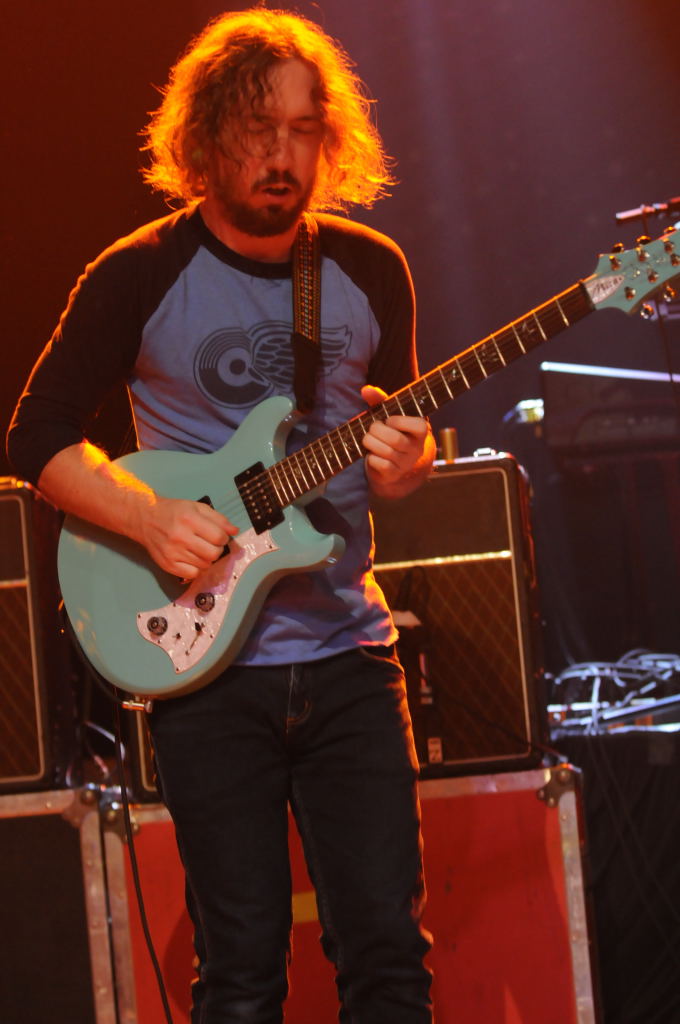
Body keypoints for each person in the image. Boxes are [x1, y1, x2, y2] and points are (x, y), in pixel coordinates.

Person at [8, 9, 436, 1022]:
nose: (279, 155)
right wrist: (150, 519)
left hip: (349, 654)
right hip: (204, 669)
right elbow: (35, 437)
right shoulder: (140, 271)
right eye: (255, 128)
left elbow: (397, 445)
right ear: (204, 138)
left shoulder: (371, 268)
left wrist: (409, 462)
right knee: (240, 973)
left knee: (387, 956)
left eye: (300, 130)